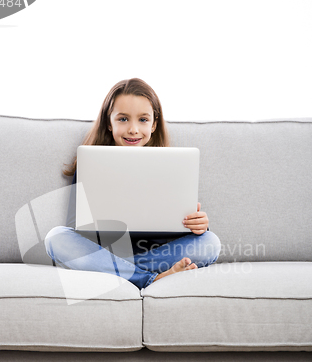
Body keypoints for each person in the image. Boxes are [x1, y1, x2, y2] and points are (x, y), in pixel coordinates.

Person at [45, 78, 221, 289]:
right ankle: (150, 278)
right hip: (106, 252)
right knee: (56, 237)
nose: (133, 129)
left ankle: (120, 272)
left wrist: (199, 225)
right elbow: (75, 227)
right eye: (123, 119)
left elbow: (181, 227)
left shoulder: (171, 166)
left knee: (210, 243)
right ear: (109, 123)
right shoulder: (90, 163)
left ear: (154, 124)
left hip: (156, 255)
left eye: (143, 120)